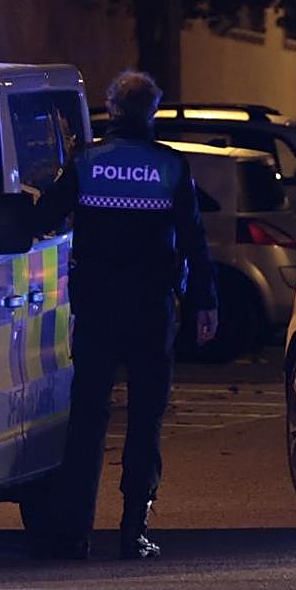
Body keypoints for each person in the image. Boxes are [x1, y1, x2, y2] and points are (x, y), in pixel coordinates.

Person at [30, 70, 218, 559]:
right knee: (144, 419)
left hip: (97, 307)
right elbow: (195, 242)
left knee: (88, 418)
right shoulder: (170, 167)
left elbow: (45, 218)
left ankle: (73, 533)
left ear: (112, 110)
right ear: (151, 112)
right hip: (152, 310)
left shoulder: (86, 161)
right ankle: (134, 530)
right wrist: (205, 301)